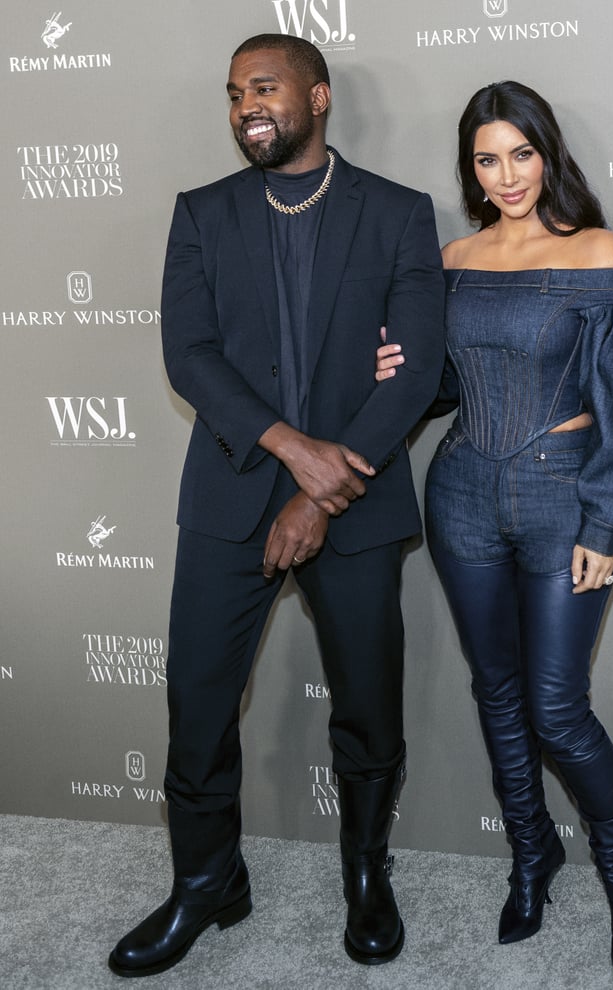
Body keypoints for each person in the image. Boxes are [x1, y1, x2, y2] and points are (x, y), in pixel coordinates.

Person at [108, 33, 445, 977]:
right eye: (232, 93)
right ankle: (206, 880)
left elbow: (413, 370)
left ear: (319, 95)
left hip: (359, 504)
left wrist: (324, 497)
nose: (245, 104)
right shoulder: (202, 214)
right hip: (229, 494)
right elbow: (193, 357)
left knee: (369, 706)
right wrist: (296, 454)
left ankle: (366, 876)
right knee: (199, 701)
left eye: (263, 86)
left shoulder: (397, 213)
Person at [376, 81, 613, 980]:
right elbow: (449, 384)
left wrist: (605, 520)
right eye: (486, 158)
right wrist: (398, 367)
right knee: (495, 692)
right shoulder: (453, 255)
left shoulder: (596, 252)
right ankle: (531, 855)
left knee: (555, 706)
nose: (506, 175)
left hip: (560, 497)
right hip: (460, 490)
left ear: (549, 153)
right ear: (472, 166)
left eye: (521, 153)